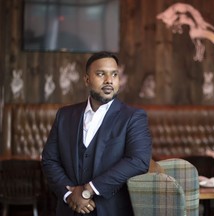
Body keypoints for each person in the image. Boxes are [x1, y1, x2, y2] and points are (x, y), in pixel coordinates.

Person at [41, 51, 152, 216]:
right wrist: (69, 195)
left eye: (114, 74)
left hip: (111, 210)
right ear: (86, 79)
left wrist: (88, 190)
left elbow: (139, 161)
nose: (109, 80)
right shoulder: (64, 115)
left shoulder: (133, 117)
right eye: (101, 74)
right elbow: (49, 159)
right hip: (68, 209)